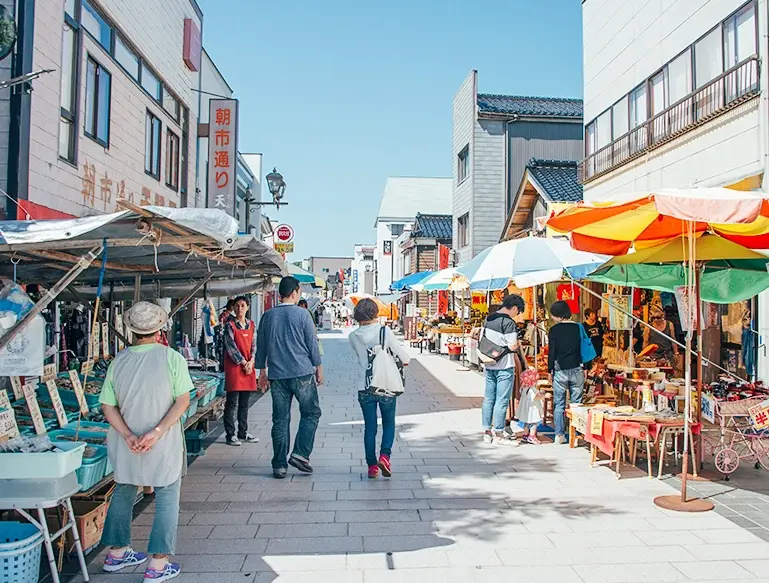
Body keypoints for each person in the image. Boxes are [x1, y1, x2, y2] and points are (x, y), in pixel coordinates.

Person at [99, 302, 193, 582]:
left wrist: (128, 434)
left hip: (126, 443)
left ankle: (116, 554)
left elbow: (107, 406)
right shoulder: (171, 357)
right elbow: (183, 400)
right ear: (159, 327)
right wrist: (158, 431)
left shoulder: (119, 361)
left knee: (124, 492)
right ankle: (158, 564)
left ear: (131, 330)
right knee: (166, 497)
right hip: (162, 443)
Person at [257, 276, 323, 479]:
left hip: (277, 375)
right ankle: (300, 454)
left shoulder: (268, 316)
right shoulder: (303, 315)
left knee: (280, 419)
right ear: (294, 292)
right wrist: (318, 367)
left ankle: (279, 465)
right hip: (302, 372)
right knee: (311, 413)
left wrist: (262, 372)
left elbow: (261, 346)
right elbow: (312, 344)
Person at [349, 298, 410, 479]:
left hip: (364, 386)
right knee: (389, 423)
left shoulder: (353, 336)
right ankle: (384, 456)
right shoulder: (384, 331)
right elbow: (404, 357)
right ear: (375, 313)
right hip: (384, 384)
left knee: (370, 427)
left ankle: (372, 467)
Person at [481, 294, 525, 445]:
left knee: (488, 398)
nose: (517, 315)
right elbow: (512, 345)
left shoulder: (489, 318)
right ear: (514, 308)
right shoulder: (509, 323)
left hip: (489, 363)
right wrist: (518, 344)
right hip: (504, 365)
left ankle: (487, 432)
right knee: (502, 399)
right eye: (517, 312)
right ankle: (498, 433)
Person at [222, 296, 259, 446]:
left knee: (244, 403)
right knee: (232, 403)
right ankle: (230, 435)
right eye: (237, 306)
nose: (239, 308)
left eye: (243, 305)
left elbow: (254, 345)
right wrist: (243, 362)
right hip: (235, 368)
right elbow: (230, 347)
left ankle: (242, 433)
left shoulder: (251, 325)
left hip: (248, 368)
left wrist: (251, 361)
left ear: (247, 307)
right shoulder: (230, 325)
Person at [548, 300, 585, 445]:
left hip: (560, 370)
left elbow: (552, 352)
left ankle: (559, 435)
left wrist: (550, 370)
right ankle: (574, 435)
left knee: (559, 404)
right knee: (576, 404)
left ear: (558, 316)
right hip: (577, 369)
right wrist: (586, 367)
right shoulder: (579, 328)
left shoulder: (554, 330)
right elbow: (584, 348)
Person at [516, 368, 543, 445]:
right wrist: (544, 396)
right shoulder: (533, 390)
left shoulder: (523, 388)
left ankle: (525, 435)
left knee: (526, 423)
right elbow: (537, 397)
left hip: (525, 410)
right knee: (534, 423)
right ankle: (532, 436)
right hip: (532, 409)